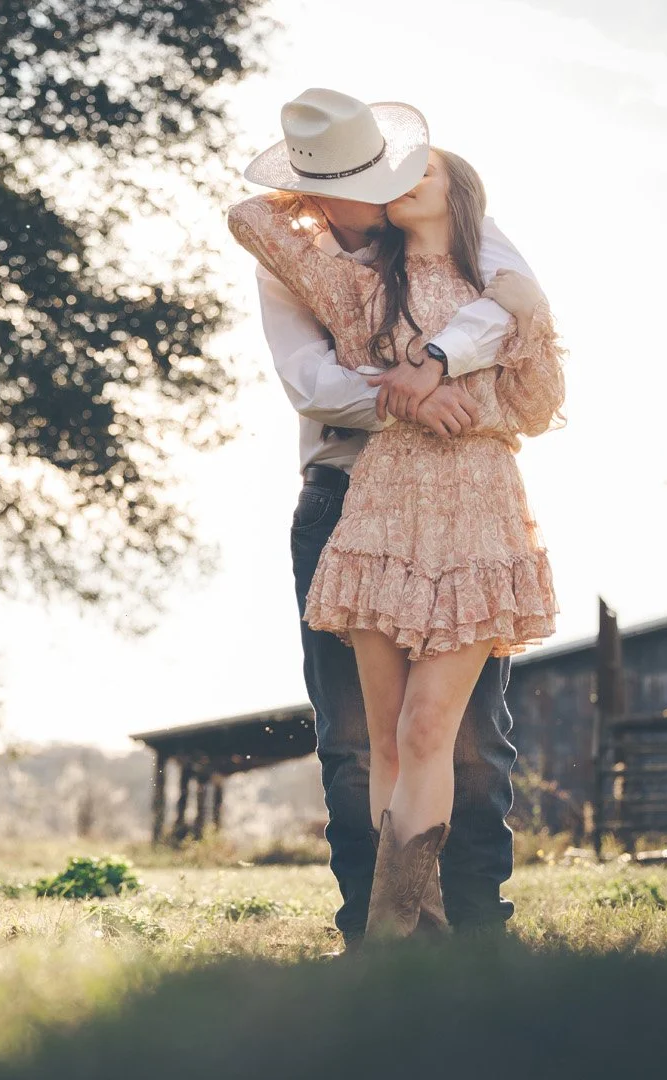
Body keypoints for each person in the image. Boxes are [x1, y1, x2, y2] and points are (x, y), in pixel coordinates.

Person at [235, 89, 554, 946]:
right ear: (310, 192)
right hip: (343, 492)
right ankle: (379, 935)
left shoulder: (444, 209)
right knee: (350, 738)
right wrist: (414, 398)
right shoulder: (290, 261)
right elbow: (308, 383)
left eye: (381, 171)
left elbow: (516, 296)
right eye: (354, 181)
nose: (379, 189)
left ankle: (478, 933)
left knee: (472, 740)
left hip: (461, 501)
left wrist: (442, 364)